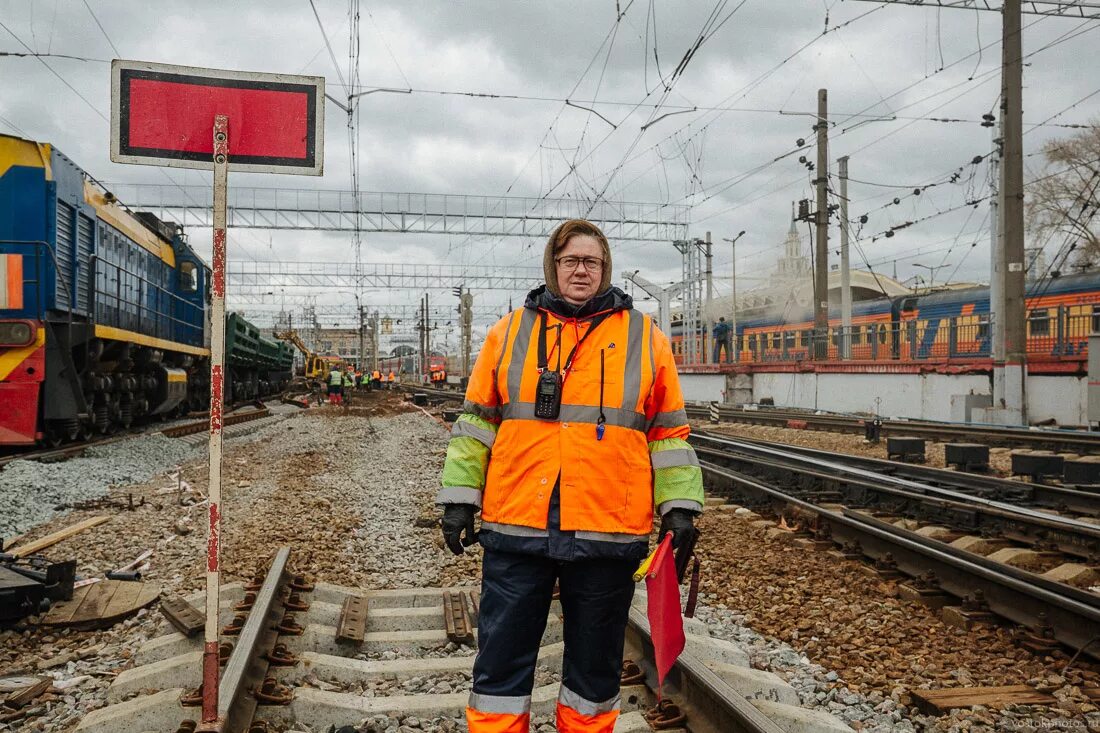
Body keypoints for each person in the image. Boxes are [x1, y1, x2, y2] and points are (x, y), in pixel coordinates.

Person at [438, 218, 703, 732]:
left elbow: (669, 433)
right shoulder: (509, 332)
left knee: (593, 674)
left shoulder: (645, 338)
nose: (581, 270)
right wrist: (459, 497)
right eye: (570, 261)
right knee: (500, 666)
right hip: (518, 526)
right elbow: (475, 422)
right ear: (552, 266)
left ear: (605, 270)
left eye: (592, 262)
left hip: (608, 528)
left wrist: (680, 508)